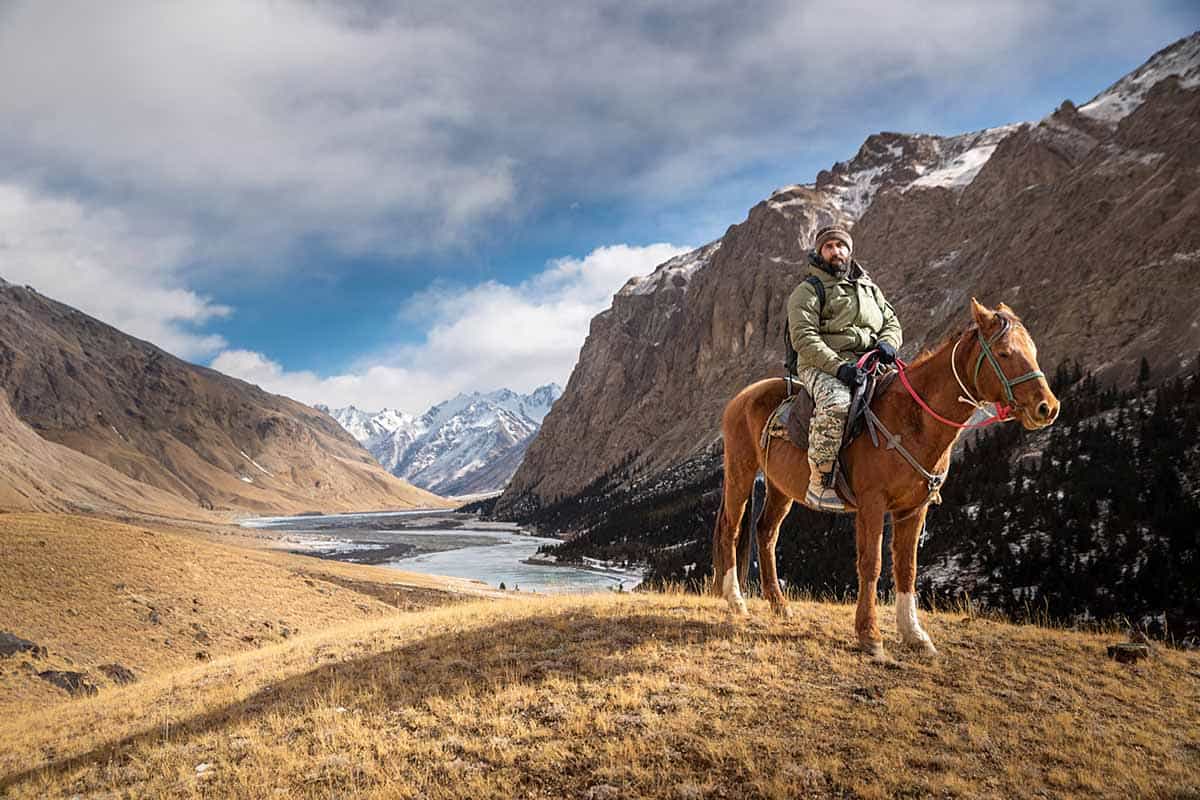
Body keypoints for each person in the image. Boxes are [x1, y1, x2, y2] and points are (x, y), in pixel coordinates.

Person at [786, 226, 902, 512]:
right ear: (819, 252)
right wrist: (839, 368)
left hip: (869, 361)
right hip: (821, 364)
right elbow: (803, 337)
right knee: (837, 403)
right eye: (829, 246)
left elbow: (891, 321)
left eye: (841, 246)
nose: (836, 251)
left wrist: (888, 342)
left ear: (849, 251)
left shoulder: (870, 289)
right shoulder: (808, 290)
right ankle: (820, 482)